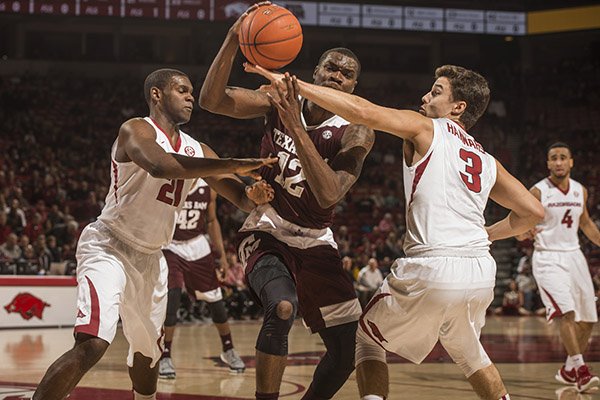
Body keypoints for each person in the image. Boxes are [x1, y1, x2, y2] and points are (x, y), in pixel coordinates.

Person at [246, 63, 544, 400]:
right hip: (479, 271)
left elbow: (363, 111)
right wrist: (489, 234)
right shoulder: (487, 159)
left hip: (434, 266)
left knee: (363, 339)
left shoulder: (427, 127)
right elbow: (532, 212)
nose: (425, 95)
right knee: (470, 353)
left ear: (458, 108)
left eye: (436, 91)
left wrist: (295, 85)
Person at [32, 68, 276, 400]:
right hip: (109, 246)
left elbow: (240, 199)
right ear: (157, 95)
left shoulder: (198, 149)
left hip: (152, 258)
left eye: (192, 91)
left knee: (149, 356)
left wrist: (255, 195)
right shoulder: (135, 129)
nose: (191, 96)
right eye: (182, 90)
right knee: (93, 342)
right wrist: (232, 163)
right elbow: (160, 166)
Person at [199, 5, 375, 399]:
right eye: (331, 68)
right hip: (268, 230)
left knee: (348, 351)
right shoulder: (277, 98)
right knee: (281, 308)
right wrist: (233, 38)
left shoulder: (357, 132)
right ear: (315, 73)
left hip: (315, 241)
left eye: (347, 75)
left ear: (353, 88)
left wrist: (294, 125)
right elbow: (212, 100)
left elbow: (330, 193)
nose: (337, 76)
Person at [517, 142, 600, 393]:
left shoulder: (580, 191)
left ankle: (567, 371)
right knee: (566, 313)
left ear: (571, 162)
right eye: (554, 158)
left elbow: (584, 223)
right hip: (547, 257)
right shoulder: (538, 192)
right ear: (548, 163)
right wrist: (523, 232)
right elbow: (519, 227)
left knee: (588, 320)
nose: (559, 162)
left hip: (574, 256)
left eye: (563, 157)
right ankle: (582, 372)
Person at [159, 179, 245, 378]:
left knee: (216, 302)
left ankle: (228, 349)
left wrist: (222, 256)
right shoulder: (169, 181)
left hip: (197, 245)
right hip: (169, 245)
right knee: (172, 299)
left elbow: (211, 221)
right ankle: (164, 354)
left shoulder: (209, 186)